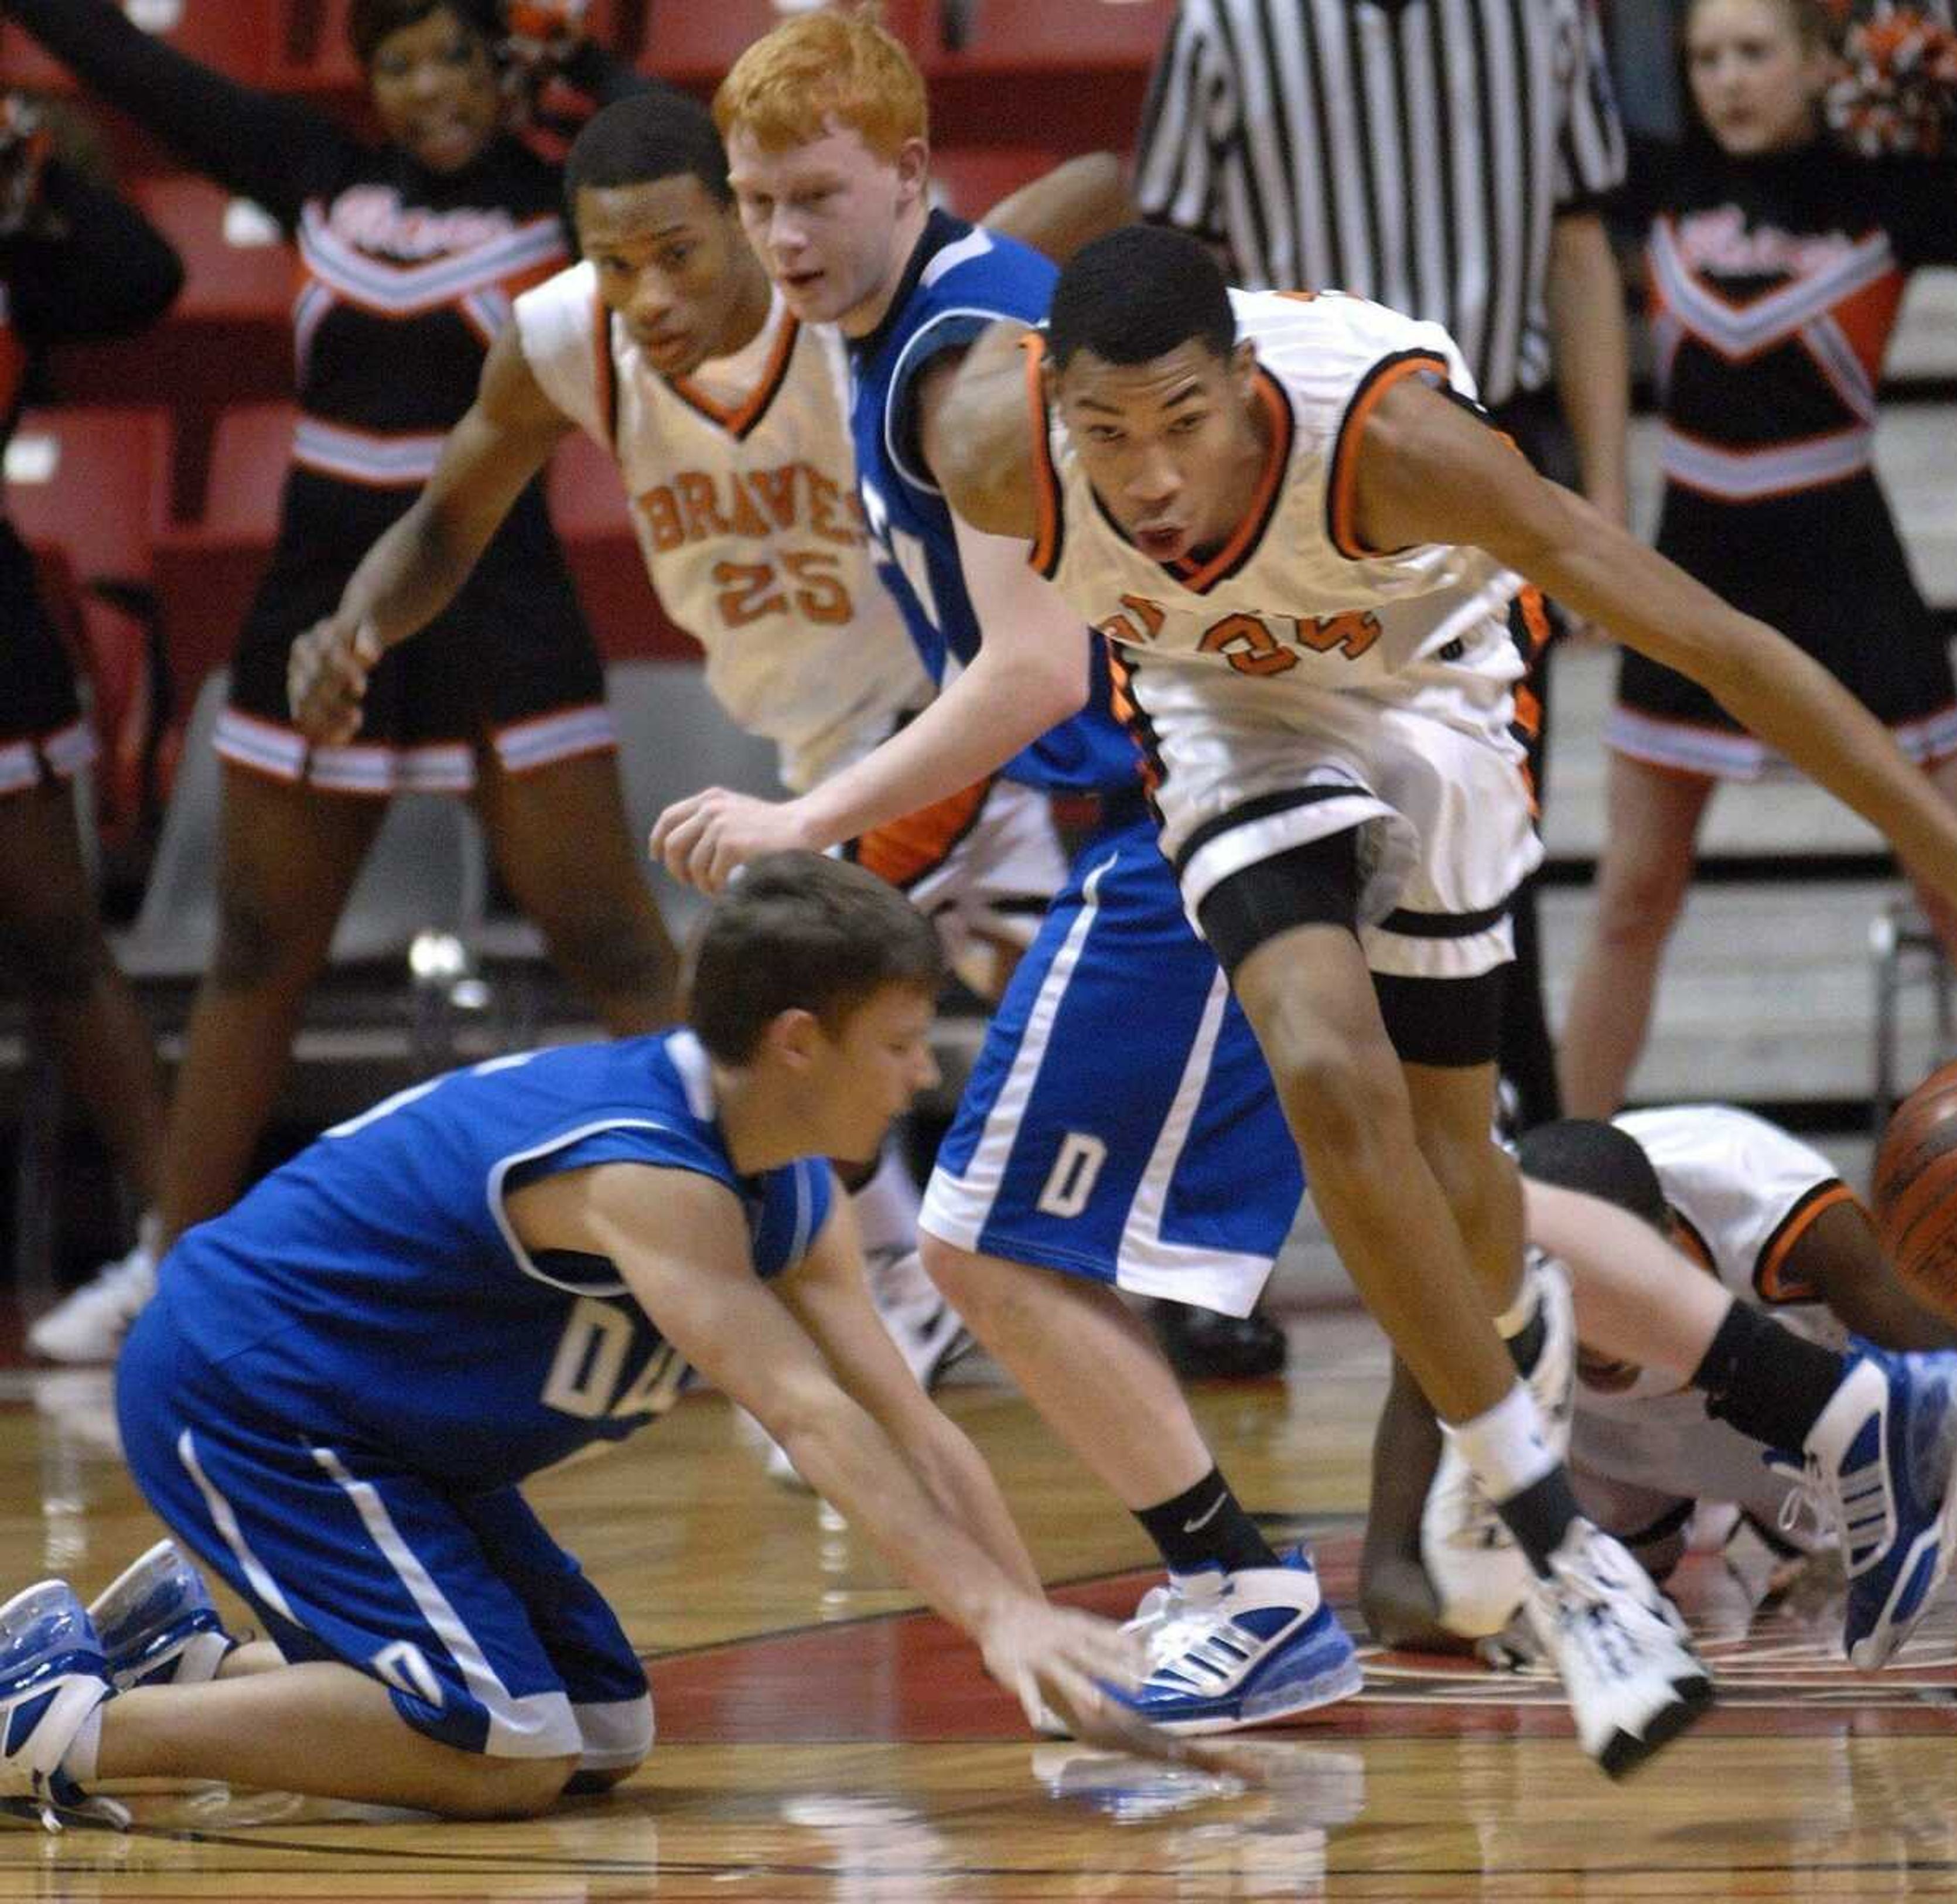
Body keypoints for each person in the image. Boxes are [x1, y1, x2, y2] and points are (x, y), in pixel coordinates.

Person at [672, 184, 1957, 1763]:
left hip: (1435, 694)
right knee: (1325, 1069)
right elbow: (1018, 616)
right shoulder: (988, 440)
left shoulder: (1400, 449)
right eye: (1106, 434)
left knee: (1467, 1182)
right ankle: (1565, 1552)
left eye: (1183, 421)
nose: (1150, 474)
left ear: (1245, 381)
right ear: (1050, 406)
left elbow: (1730, 653)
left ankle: (1854, 1412)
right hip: (1226, 711)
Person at [667, 11, 1361, 1743]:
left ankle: (1241, 1586)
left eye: (815, 194)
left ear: (909, 171)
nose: (783, 238)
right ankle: (1811, 1398)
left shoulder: (955, 355)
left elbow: (1036, 672)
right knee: (1442, 1199)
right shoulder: (903, 315)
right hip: (1191, 797)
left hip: (1196, 806)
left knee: (980, 1245)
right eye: (754, 203)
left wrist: (809, 819)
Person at [0, 854, 1207, 1831]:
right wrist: (991, 1617)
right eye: (896, 1041)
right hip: (250, 1385)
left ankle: (180, 1665)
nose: (915, 1073)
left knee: (598, 1723)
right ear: (797, 1041)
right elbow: (807, 1414)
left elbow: (910, 1417)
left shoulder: (796, 1184)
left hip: (390, 1433)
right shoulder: (646, 1172)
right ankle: (54, 1725)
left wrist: (1039, 1650)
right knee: (506, 1743)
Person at [284, 91, 1132, 1392]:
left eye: (678, 252)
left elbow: (1089, 177)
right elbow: (449, 523)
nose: (649, 294)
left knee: (762, 998)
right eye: (616, 263)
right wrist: (355, 626)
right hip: (820, 739)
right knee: (1050, 997)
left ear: (749, 217)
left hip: (940, 717)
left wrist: (1092, 239)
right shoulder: (566, 339)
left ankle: (899, 1309)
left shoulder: (850, 294)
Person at [15, 0, 680, 1365]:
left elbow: (702, 163)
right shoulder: (317, 172)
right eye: (400, 61)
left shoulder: (568, 199)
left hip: (500, 597)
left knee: (613, 942)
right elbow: (141, 70)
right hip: (320, 599)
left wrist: (591, 69)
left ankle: (760, 1238)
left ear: (505, 71)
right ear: (368, 81)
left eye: (456, 56)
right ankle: (171, 1268)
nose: (429, 86)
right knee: (258, 946)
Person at [1131, 1, 1636, 1375]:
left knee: (1477, 872)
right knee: (1268, 888)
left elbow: (1580, 245)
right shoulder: (1228, 24)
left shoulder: (1543, 17)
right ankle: (1216, 1255)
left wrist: (1598, 496)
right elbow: (1172, 257)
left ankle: (1520, 1226)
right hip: (1274, 462)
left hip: (1477, 456)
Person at [1555, 0, 1957, 1118]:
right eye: (1706, 58)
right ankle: (1563, 1187)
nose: (1729, 80)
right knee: (1632, 899)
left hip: (1850, 569)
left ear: (1813, 63)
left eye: (1755, 53)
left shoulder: (1883, 194)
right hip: (1692, 575)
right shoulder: (1650, 186)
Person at [1360, 1108, 1957, 1659]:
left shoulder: (1769, 1200)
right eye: (1563, 1298)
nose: (1593, 1335)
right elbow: (1388, 1585)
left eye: (1605, 1295)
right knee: (1615, 1609)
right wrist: (1528, 1625)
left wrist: (1878, 1526)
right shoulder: (1462, 1271)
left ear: (1668, 1248)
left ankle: (1795, 1499)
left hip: (1807, 1408)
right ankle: (1710, 1523)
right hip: (1606, 1448)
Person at [0, 93, 180, 1249]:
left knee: (61, 934)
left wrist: (40, 160)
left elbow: (142, 276)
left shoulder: (20, 252)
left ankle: (189, 1232)